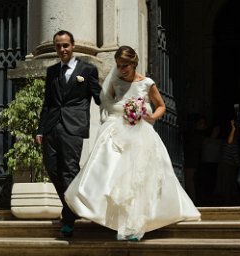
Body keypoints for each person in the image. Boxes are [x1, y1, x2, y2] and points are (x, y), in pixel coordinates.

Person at [65, 45, 201, 241]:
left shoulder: (147, 83)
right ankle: (113, 219)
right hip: (117, 130)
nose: (121, 69)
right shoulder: (115, 81)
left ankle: (137, 224)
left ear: (134, 63)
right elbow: (107, 103)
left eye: (125, 65)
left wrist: (151, 116)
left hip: (140, 132)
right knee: (112, 174)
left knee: (138, 177)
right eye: (119, 65)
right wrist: (121, 110)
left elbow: (161, 106)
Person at [35, 30, 101, 237]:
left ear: (73, 46)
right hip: (52, 126)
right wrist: (40, 129)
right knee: (52, 168)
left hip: (73, 127)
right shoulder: (52, 71)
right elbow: (48, 103)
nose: (62, 49)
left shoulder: (88, 70)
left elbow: (99, 97)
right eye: (58, 46)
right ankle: (74, 205)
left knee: (69, 170)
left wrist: (120, 104)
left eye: (65, 45)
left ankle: (69, 218)